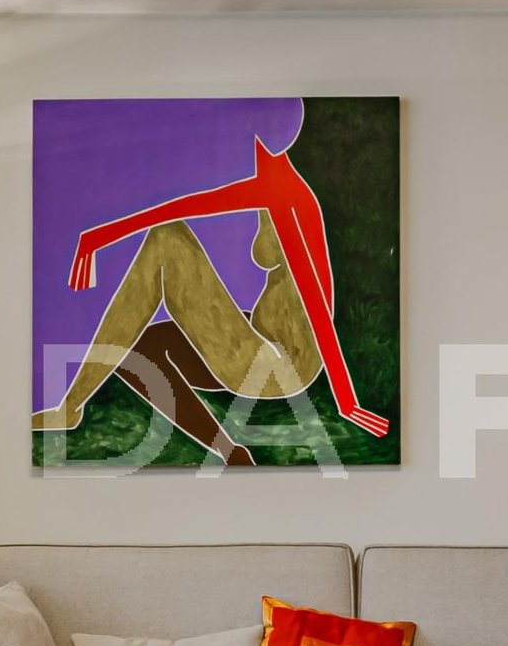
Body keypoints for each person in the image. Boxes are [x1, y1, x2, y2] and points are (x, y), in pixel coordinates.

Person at [34, 137, 389, 462]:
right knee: (139, 353)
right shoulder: (271, 187)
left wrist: (347, 403)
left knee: (166, 240)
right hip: (260, 341)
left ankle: (71, 406)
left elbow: (316, 307)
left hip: (280, 365)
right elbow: (190, 204)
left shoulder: (285, 196)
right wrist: (99, 236)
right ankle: (230, 453)